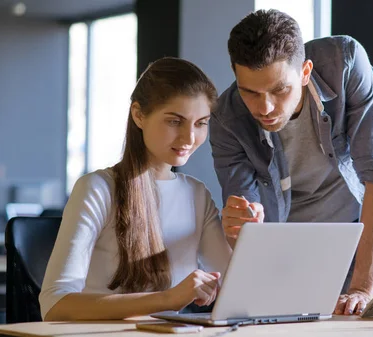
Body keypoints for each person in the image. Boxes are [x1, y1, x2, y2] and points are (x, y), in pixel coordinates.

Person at [210, 9, 373, 316]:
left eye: (279, 90)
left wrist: (362, 290)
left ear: (305, 71)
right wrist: (239, 226)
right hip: (285, 254)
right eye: (250, 93)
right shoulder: (226, 119)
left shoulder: (346, 64)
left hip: (355, 242)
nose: (265, 107)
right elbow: (249, 228)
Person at [40, 57, 232, 321]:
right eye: (175, 121)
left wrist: (244, 234)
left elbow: (233, 286)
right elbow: (55, 304)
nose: (189, 138)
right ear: (139, 115)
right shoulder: (97, 189)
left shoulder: (197, 195)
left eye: (201, 123)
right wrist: (169, 298)